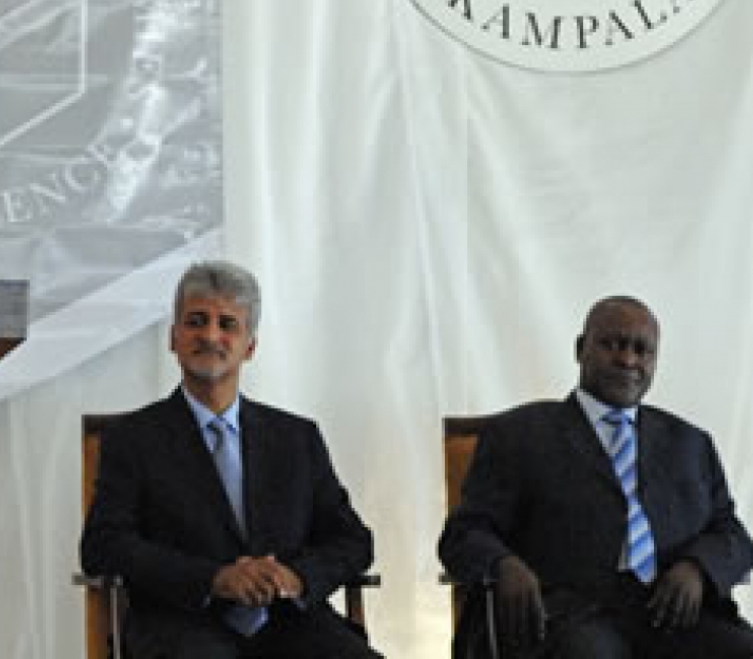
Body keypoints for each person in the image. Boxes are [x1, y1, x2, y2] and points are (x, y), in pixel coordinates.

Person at [80, 260, 381, 658]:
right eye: (196, 321)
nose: (210, 335)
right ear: (173, 338)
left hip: (289, 623)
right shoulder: (133, 439)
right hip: (182, 624)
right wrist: (214, 579)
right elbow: (103, 545)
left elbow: (352, 540)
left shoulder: (296, 438)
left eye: (227, 325)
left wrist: (296, 578)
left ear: (249, 347)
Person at [439, 296, 753, 659]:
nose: (628, 360)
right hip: (565, 617)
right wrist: (502, 564)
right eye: (613, 344)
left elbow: (731, 533)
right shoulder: (519, 434)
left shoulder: (690, 443)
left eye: (642, 349)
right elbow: (464, 532)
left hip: (671, 613)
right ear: (579, 349)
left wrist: (698, 568)